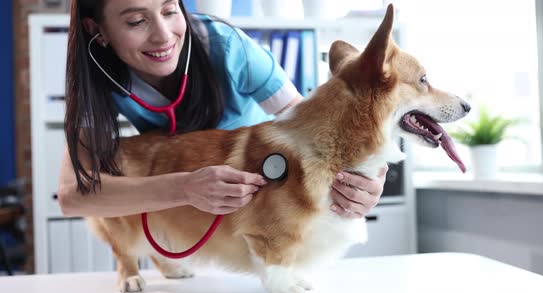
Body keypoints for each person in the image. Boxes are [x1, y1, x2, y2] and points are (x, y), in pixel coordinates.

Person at [58, 0, 388, 220]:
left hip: (263, 205)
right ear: (95, 30)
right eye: (136, 21)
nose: (163, 35)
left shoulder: (227, 47)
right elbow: (73, 195)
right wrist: (185, 188)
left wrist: (367, 183)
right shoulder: (94, 79)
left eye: (170, 10)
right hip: (186, 215)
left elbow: (315, 135)